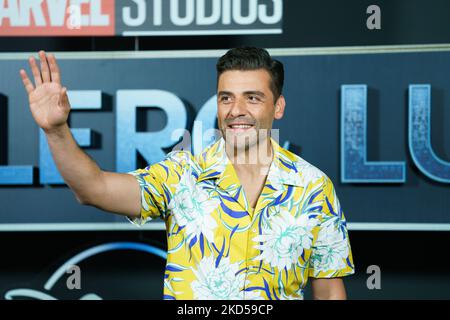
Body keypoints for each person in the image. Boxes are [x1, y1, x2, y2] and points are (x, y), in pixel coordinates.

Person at [19, 47, 354, 300]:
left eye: (252, 98)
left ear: (277, 107)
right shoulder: (182, 173)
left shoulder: (313, 186)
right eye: (227, 98)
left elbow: (328, 290)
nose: (236, 111)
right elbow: (94, 189)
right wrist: (56, 130)